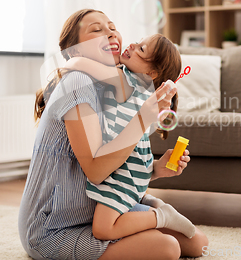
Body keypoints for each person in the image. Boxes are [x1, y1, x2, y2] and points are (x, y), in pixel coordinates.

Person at [18, 9, 208, 260]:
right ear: (75, 51)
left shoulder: (118, 90)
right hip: (54, 228)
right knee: (167, 248)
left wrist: (155, 170)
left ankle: (154, 213)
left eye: (112, 27)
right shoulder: (77, 83)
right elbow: (97, 170)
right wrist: (142, 119)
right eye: (96, 30)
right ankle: (158, 214)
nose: (110, 33)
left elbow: (121, 160)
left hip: (95, 210)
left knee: (199, 244)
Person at [63, 33, 196, 240]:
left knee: (103, 229)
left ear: (151, 72)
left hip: (121, 175)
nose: (133, 45)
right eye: (139, 43)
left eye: (141, 50)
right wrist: (157, 168)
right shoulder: (142, 92)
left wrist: (73, 59)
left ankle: (161, 216)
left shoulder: (126, 79)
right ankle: (150, 204)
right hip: (134, 170)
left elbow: (79, 63)